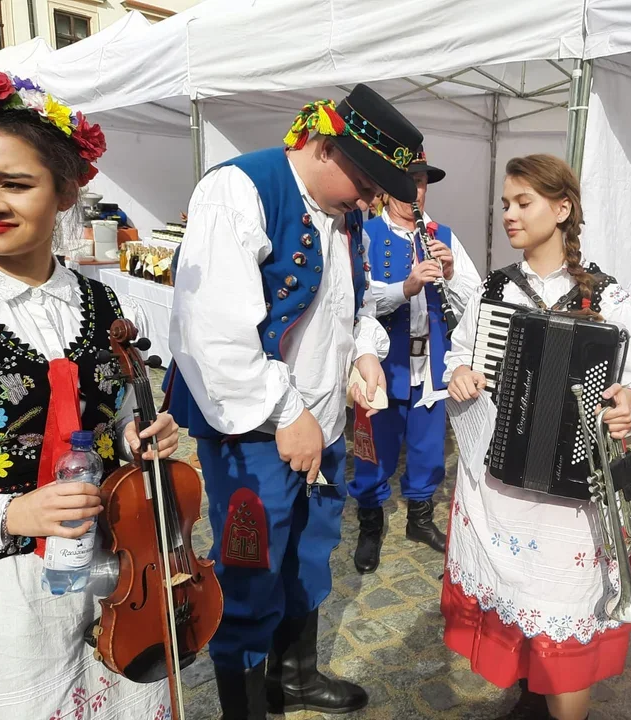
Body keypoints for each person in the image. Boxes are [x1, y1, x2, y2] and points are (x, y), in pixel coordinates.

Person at [164, 85, 422, 720]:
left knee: (309, 556)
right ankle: (246, 708)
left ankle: (295, 679)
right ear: (324, 145)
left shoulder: (347, 214)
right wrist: (288, 414)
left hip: (324, 425)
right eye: (367, 182)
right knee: (249, 571)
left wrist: (364, 353)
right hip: (256, 431)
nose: (370, 200)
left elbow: (353, 303)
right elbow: (211, 332)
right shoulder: (239, 191)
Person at [441, 154, 631, 720]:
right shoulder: (494, 291)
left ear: (562, 209)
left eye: (524, 203)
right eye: (505, 204)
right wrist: (461, 372)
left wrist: (629, 400)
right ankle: (529, 698)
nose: (509, 215)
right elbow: (458, 355)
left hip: (571, 500)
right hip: (502, 487)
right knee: (519, 610)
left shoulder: (607, 298)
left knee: (564, 627)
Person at [0, 73, 181, 719]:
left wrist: (133, 437)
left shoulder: (103, 303)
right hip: (10, 594)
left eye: (15, 184)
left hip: (112, 567)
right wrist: (12, 514)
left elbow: (110, 417)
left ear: (66, 190)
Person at [350, 146, 480, 574]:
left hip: (431, 364)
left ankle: (419, 521)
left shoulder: (444, 235)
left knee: (427, 447)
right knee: (374, 449)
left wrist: (452, 271)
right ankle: (370, 526)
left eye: (421, 183)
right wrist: (404, 288)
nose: (415, 192)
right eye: (407, 183)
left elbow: (474, 304)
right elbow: (357, 302)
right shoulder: (367, 233)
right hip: (384, 365)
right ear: (387, 190)